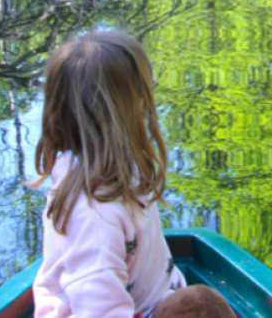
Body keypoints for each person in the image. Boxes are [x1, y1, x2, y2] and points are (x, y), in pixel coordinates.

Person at [29, 30, 236, 318]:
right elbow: (98, 312)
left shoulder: (116, 167)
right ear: (125, 109)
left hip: (147, 303)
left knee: (202, 305)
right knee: (202, 303)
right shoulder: (93, 214)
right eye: (146, 92)